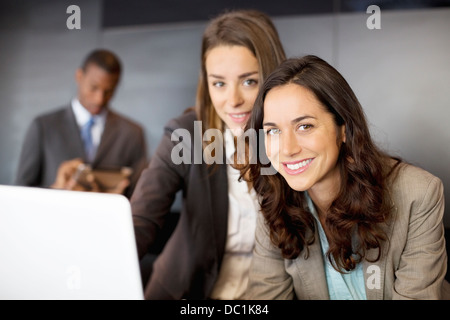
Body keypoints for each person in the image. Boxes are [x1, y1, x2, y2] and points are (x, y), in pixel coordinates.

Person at [240, 55, 450, 299]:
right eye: (273, 131)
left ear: (343, 129)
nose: (287, 149)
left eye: (305, 126)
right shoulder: (274, 202)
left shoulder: (418, 193)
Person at [131, 10, 286, 299]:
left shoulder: (291, 140)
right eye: (219, 83)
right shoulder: (186, 134)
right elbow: (142, 219)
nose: (233, 100)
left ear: (272, 75)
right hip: (186, 291)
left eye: (249, 81)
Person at [16, 49, 148, 198]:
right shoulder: (42, 126)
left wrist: (115, 200)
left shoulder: (132, 133)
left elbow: (139, 199)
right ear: (79, 76)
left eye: (109, 91)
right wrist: (57, 188)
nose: (99, 99)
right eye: (93, 88)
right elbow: (21, 193)